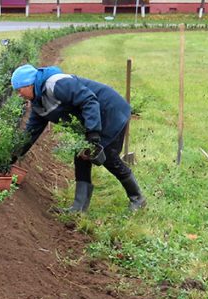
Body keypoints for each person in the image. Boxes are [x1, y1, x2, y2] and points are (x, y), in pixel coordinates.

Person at [10, 63, 146, 213]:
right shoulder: (38, 103)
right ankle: (79, 208)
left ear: (29, 84)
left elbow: (89, 100)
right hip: (95, 117)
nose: (19, 94)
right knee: (82, 155)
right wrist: (12, 156)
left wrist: (93, 134)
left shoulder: (56, 84)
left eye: (19, 89)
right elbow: (31, 132)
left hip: (110, 111)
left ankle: (137, 198)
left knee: (107, 156)